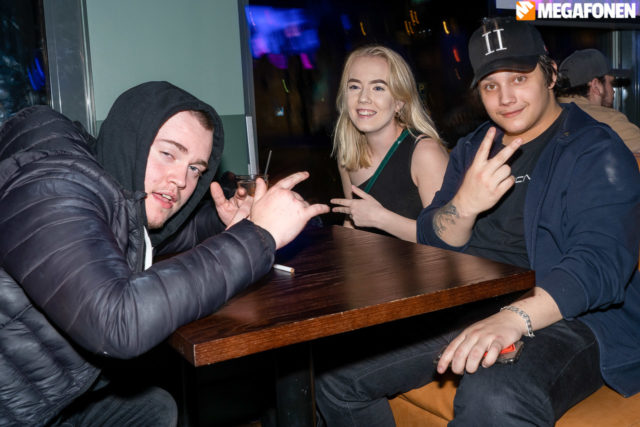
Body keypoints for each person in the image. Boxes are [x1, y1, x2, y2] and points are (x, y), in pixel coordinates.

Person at [315, 18, 640, 426]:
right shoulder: (473, 148)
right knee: (335, 375)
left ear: (550, 74)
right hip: (472, 301)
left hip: (568, 315)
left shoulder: (596, 149)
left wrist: (513, 318)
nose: (505, 97)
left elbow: (600, 263)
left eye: (519, 78)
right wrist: (465, 207)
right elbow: (432, 237)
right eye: (490, 85)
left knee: (493, 396)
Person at [0, 81, 329, 426]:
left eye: (195, 168)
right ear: (132, 139)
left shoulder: (110, 191)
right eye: (168, 154)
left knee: (154, 407)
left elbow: (157, 237)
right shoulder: (54, 189)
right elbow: (119, 323)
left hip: (49, 401)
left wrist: (223, 223)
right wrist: (258, 236)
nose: (181, 180)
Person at [330, 45, 449, 242]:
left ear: (399, 102)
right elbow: (353, 223)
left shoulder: (425, 153)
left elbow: (445, 238)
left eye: (378, 88)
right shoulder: (348, 154)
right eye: (354, 87)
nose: (363, 98)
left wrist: (380, 218)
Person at [556, 48, 640, 153]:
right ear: (596, 86)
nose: (613, 91)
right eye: (611, 83)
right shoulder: (609, 121)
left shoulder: (551, 114)